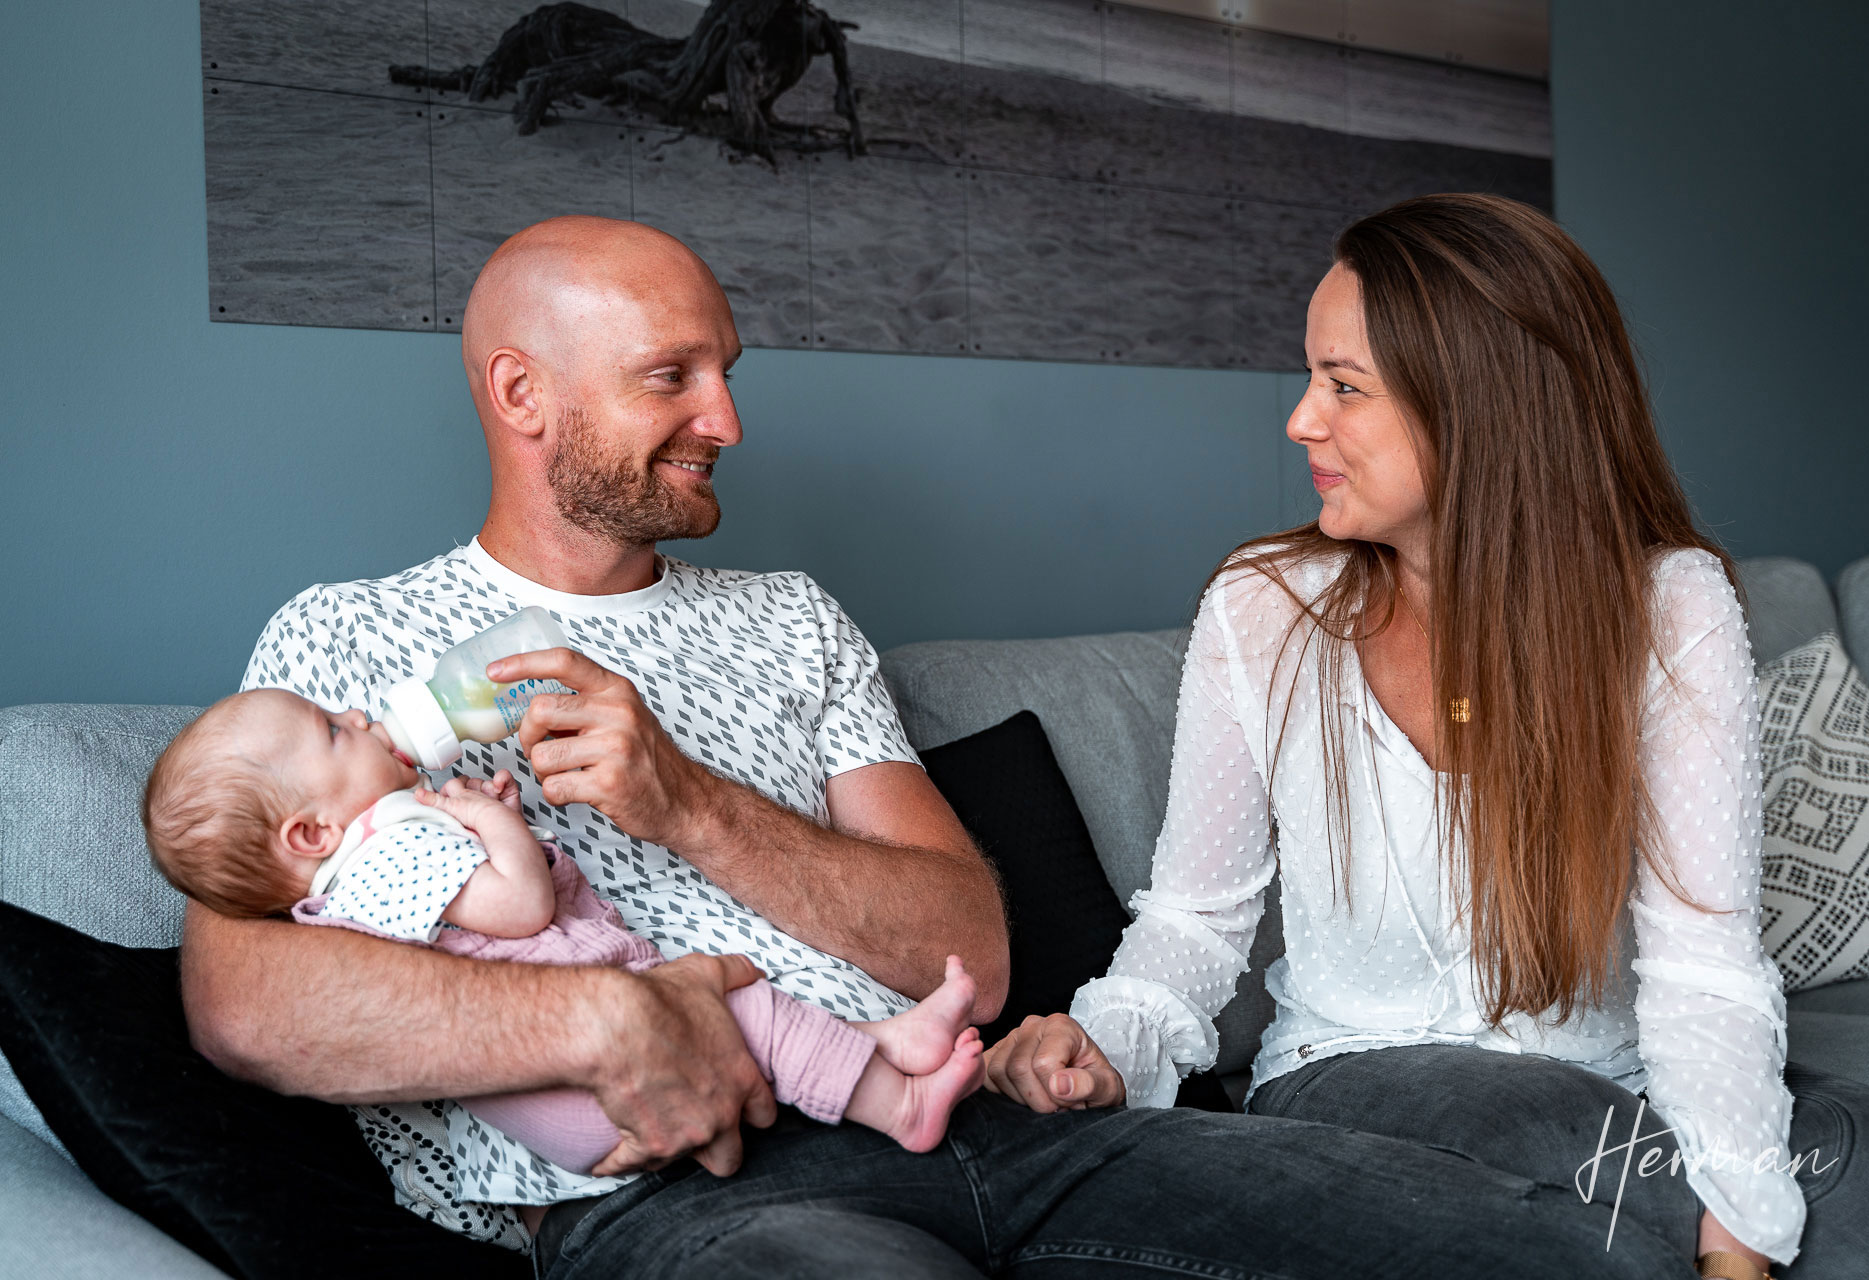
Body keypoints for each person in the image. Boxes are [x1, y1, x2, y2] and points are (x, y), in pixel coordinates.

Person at [184, 213, 1700, 1278]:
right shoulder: (341, 655)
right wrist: (601, 1030)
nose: (726, 415)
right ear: (523, 391)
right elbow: (242, 999)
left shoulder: (788, 620)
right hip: (683, 1187)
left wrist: (689, 803)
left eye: (727, 369)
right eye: (672, 377)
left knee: (1530, 1246)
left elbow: (962, 933)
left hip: (975, 1115)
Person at [981, 193, 1869, 1280]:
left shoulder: (1671, 605)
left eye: (1343, 385)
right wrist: (1109, 1045)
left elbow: (1705, 965)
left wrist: (1742, 1216)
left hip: (1620, 1078)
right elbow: (1196, 917)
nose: (1300, 419)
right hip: (1354, 1070)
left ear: (1478, 408)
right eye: (1311, 377)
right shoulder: (1264, 607)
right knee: (1603, 1163)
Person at [144, 686, 988, 1194]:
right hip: (597, 1090)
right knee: (743, 1013)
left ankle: (884, 1041)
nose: (358, 712)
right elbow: (517, 910)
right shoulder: (382, 852)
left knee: (743, 1010)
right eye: (333, 730)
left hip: (574, 1100)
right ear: (307, 835)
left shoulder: (369, 857)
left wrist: (490, 823)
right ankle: (901, 1103)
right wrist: (487, 822)